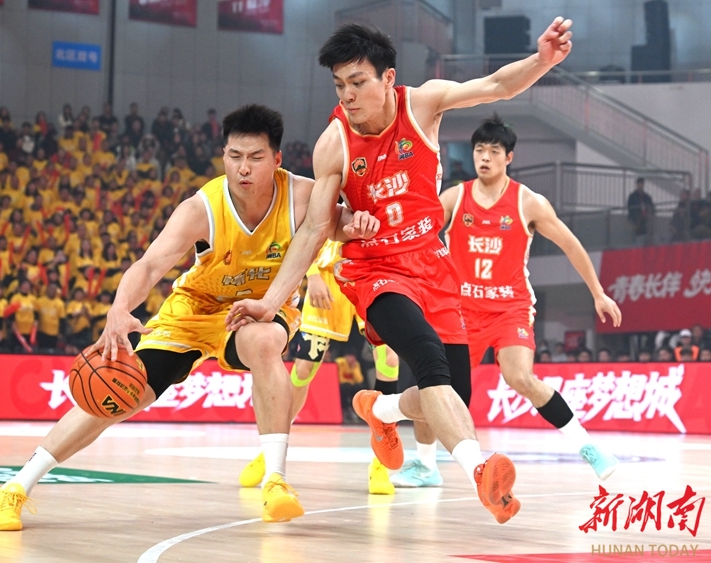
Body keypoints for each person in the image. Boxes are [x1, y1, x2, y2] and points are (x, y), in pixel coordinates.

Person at [227, 18, 575, 524]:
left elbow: (497, 85)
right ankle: (480, 471)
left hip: (432, 265)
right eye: (339, 85)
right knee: (428, 358)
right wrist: (271, 300)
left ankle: (381, 410)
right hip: (374, 270)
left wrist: (542, 61)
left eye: (357, 82)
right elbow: (315, 230)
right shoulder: (334, 144)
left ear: (388, 78)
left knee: (455, 394)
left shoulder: (424, 104)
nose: (347, 95)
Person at [0, 104, 376, 531]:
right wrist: (119, 310)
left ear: (277, 159)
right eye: (234, 156)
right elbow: (150, 265)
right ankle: (15, 487)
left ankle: (276, 481)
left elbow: (341, 223)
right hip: (194, 309)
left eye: (255, 157)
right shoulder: (201, 207)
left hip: (262, 308)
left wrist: (360, 222)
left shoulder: (302, 195)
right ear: (223, 155)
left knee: (263, 341)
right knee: (117, 389)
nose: (243, 168)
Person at [394, 116, 620, 487]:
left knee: (519, 377)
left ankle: (590, 448)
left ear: (508, 157)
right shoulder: (454, 197)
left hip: (509, 309)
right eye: (479, 150)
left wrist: (597, 292)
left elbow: (570, 244)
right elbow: (414, 234)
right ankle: (425, 464)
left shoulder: (528, 202)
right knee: (436, 387)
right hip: (459, 313)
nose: (484, 157)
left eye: (493, 151)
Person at [237, 239, 400, 495]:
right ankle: (271, 454)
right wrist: (311, 275)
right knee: (304, 368)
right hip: (327, 276)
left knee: (389, 359)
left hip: (370, 273)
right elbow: (309, 228)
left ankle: (380, 464)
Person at [627, 177, 654, 244]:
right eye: (639, 184)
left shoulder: (647, 197)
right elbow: (630, 208)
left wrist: (648, 214)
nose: (640, 186)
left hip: (645, 218)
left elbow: (652, 207)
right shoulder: (632, 196)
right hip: (636, 218)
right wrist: (636, 215)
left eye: (641, 184)